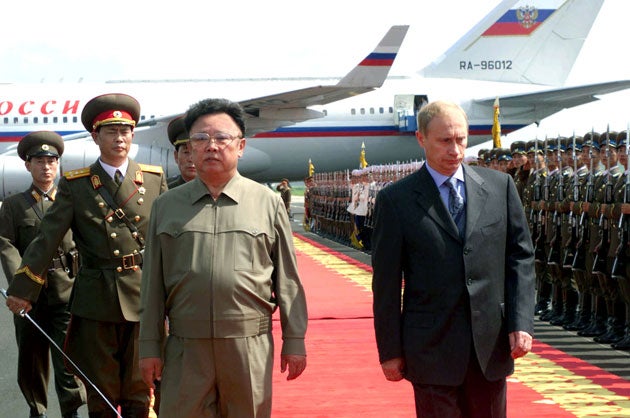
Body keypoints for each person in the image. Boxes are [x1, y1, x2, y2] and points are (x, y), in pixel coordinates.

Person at [138, 98, 308, 418]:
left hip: (248, 345)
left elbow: (287, 279)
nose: (211, 146)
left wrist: (294, 338)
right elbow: (151, 287)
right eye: (201, 139)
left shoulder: (267, 203)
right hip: (186, 346)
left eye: (222, 138)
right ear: (189, 148)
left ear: (241, 146)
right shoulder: (166, 206)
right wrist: (148, 347)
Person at [6, 93, 168, 418]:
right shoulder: (76, 185)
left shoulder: (153, 180)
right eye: (111, 131)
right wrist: (23, 290)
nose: (119, 138)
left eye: (125, 130)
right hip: (97, 301)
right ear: (96, 137)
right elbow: (47, 238)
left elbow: (168, 242)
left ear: (133, 134)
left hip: (143, 298)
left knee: (141, 389)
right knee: (101, 393)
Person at [371, 100, 535, 418]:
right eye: (445, 141)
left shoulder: (500, 188)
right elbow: (387, 284)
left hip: (490, 348)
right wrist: (390, 351)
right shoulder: (396, 200)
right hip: (430, 351)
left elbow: (520, 257)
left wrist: (520, 321)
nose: (455, 150)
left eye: (461, 139)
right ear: (421, 139)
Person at [1, 132, 86, 418]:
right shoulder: (14, 206)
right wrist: (20, 288)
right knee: (32, 359)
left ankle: (72, 410)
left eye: (52, 161)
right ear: (28, 166)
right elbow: (6, 245)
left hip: (66, 291)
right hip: (29, 298)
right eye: (39, 161)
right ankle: (36, 410)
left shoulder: (72, 199)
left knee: (69, 357)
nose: (46, 167)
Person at [166, 115, 196, 188]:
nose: (191, 159)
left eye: (196, 152)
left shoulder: (222, 191)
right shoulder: (164, 190)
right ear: (176, 156)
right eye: (186, 152)